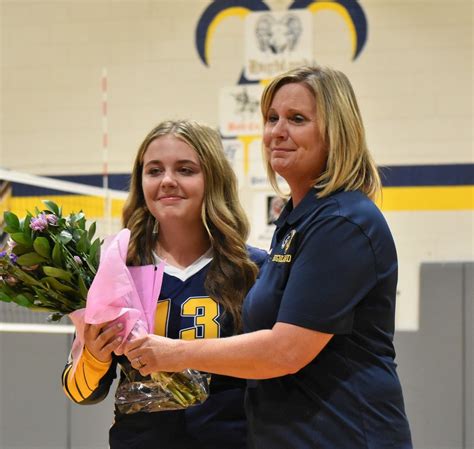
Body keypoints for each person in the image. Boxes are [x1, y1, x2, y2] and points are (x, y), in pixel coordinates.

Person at [124, 66, 413, 449]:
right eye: (272, 118)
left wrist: (172, 353)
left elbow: (285, 351)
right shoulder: (298, 220)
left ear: (336, 131)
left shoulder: (343, 222)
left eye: (297, 119)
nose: (277, 131)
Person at [62, 119, 267, 449]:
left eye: (185, 170)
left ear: (214, 178)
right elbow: (81, 392)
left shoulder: (253, 269)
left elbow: (274, 366)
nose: (167, 181)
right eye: (154, 171)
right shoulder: (116, 270)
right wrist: (95, 357)